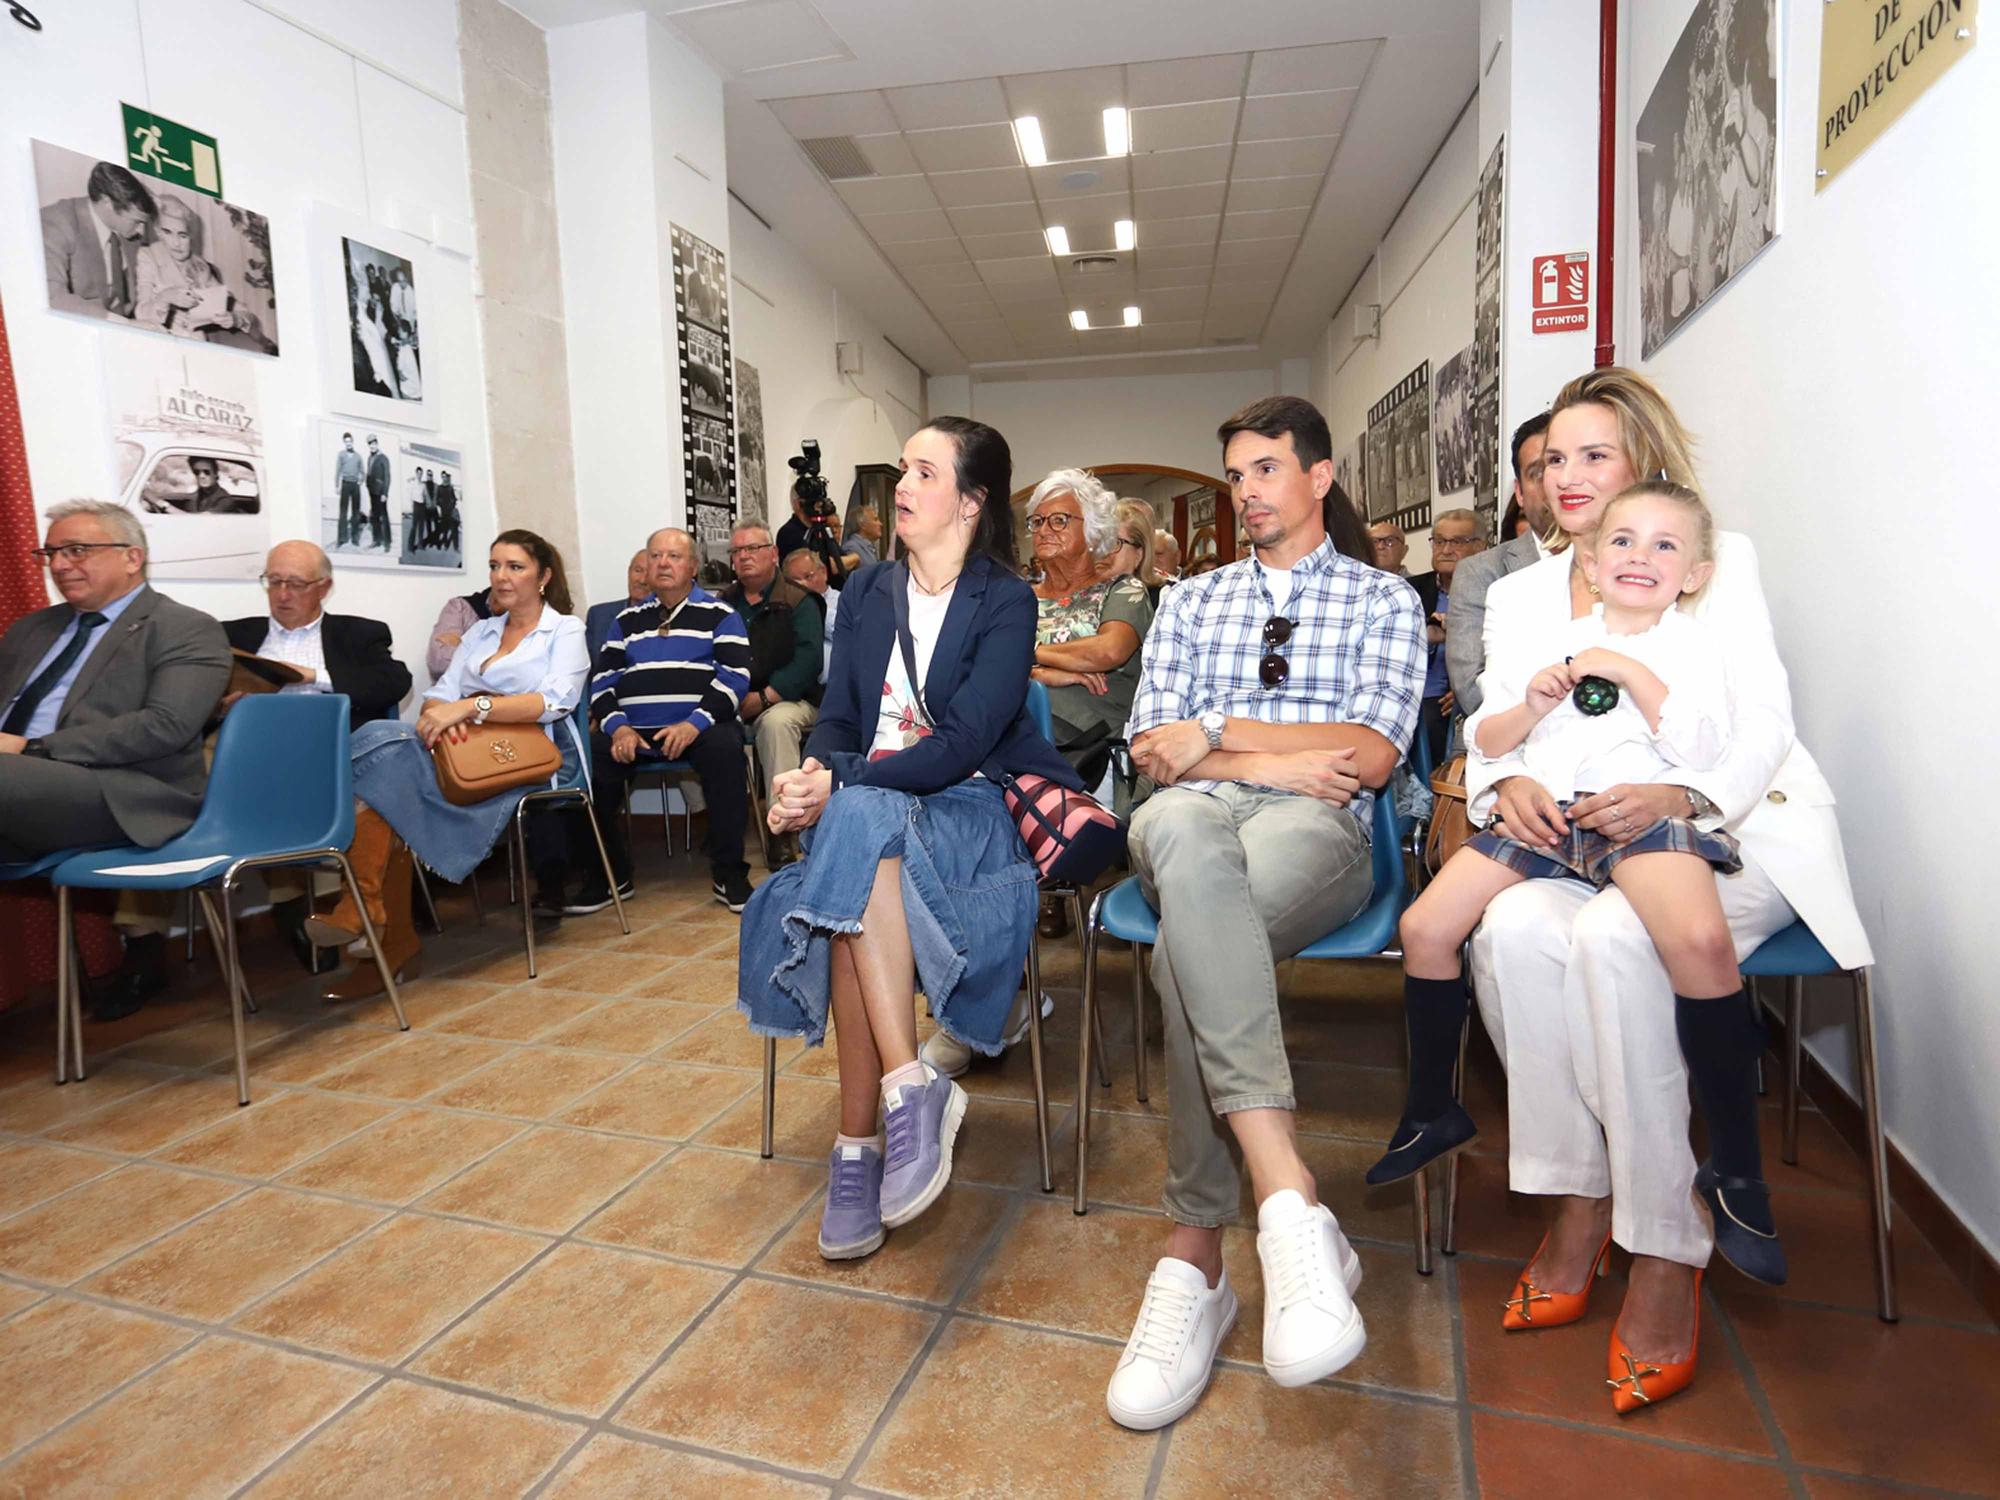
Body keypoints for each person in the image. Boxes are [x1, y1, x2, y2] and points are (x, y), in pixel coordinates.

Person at [1464, 368, 1869, 1413]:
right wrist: (1504, 782)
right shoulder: (1517, 589)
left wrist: (1675, 791)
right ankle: (1576, 1198)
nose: (1565, 476)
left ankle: (1665, 1249)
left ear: (1641, 461)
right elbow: (1498, 723)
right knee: (1505, 930)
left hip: (1733, 831)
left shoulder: (1711, 560)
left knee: (1611, 942)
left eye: (1592, 454)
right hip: (1576, 843)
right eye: (1551, 458)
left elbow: (1764, 723)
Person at [1104, 396, 1423, 1431]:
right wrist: (1262, 753)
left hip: (1316, 829)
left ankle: (1193, 1253)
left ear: (1319, 477)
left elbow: (1370, 755)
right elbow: (1154, 752)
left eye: (1264, 470)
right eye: (1234, 474)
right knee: (1188, 837)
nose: (1245, 491)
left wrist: (1217, 732)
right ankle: (1286, 1196)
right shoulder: (1190, 600)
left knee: (1186, 953)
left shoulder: (1380, 599)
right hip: (1189, 813)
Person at [737, 416, 1080, 1264]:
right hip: (875, 812)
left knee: (850, 844)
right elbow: (842, 720)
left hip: (966, 807)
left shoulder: (1005, 599)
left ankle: (859, 1146)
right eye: (902, 471)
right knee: (857, 841)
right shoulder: (865, 592)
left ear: (970, 501)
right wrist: (814, 774)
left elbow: (965, 742)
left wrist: (841, 787)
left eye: (924, 473)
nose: (900, 488)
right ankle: (904, 1092)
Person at [305, 531, 588, 1000]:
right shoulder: (481, 630)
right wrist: (442, 714)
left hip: (530, 758)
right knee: (386, 775)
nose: (501, 576)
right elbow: (442, 691)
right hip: (462, 751)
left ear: (544, 576)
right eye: (494, 565)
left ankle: (373, 920)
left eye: (515, 567)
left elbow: (555, 701)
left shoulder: (565, 630)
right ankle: (375, 918)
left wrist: (472, 710)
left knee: (379, 747)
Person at [0, 501, 231, 1018]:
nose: (60, 564)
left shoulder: (184, 627)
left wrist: (31, 748)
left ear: (133, 557)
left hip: (124, 791)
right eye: (51, 552)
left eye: (78, 550)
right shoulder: (31, 631)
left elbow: (165, 726)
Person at [575, 527, 753, 913]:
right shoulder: (624, 621)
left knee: (725, 749)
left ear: (693, 565)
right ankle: (610, 875)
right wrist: (616, 727)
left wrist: (694, 724)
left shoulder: (720, 615)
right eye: (655, 556)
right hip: (633, 731)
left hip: (699, 726)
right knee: (588, 758)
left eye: (673, 556)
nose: (662, 564)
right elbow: (603, 683)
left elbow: (735, 679)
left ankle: (729, 872)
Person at [1023, 470, 1153, 789]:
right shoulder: (1018, 597)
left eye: (1059, 520)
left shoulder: (1123, 591)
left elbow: (1107, 651)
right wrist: (1042, 673)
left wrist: (1031, 655)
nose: (1044, 530)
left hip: (1092, 752)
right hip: (1023, 735)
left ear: (1094, 530)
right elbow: (984, 662)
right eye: (1037, 522)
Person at [1447, 412, 1551, 715]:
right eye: (1538, 473)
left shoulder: (1622, 563)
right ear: (1519, 492)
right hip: (1504, 747)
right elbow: (1474, 692)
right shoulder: (1482, 573)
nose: (1555, 482)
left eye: (1561, 465)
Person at [721, 524, 823, 818]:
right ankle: (722, 826)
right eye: (737, 551)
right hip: (736, 700)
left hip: (793, 699)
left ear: (774, 553)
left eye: (752, 548)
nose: (744, 557)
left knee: (775, 724)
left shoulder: (800, 600)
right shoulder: (724, 604)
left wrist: (765, 698)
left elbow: (809, 660)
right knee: (701, 728)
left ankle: (785, 823)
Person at [1409, 507, 1488, 765]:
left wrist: (1467, 686)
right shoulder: (1411, 590)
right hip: (1421, 693)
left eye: (1457, 541)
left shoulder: (1495, 590)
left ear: (1481, 546)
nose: (1445, 549)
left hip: (1471, 693)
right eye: (1440, 541)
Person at [132, 196, 266, 346]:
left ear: (191, 236)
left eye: (183, 235)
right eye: (168, 233)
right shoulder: (149, 256)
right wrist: (165, 297)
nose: (176, 243)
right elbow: (141, 314)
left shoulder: (199, 265)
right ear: (158, 232)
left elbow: (244, 312)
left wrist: (234, 318)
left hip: (195, 343)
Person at [42, 161, 157, 318]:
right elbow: (52, 298)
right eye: (136, 222)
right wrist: (124, 325)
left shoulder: (127, 228)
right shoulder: (57, 222)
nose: (142, 232)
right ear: (107, 203)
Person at [586, 549, 653, 664]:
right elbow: (587, 671)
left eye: (650, 574)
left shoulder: (668, 619)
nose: (642, 580)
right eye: (638, 571)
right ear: (629, 572)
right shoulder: (598, 615)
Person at [782, 546, 839, 677]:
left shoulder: (844, 601)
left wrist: (811, 610)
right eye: (794, 581)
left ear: (823, 572)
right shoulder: (785, 609)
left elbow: (847, 634)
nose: (803, 585)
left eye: (808, 576)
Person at [427, 584, 498, 678]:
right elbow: (440, 662)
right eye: (495, 569)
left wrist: (464, 647)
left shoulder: (521, 618)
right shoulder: (460, 608)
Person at [1098, 498, 1157, 586]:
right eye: (1098, 542)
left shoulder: (1166, 596)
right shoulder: (1078, 594)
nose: (1103, 551)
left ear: (1138, 555)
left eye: (1115, 543)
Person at [180, 457, 251, 515]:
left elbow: (199, 520)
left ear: (215, 474)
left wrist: (169, 507)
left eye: (206, 472)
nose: (201, 476)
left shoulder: (225, 500)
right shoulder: (197, 496)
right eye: (197, 472)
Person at [334, 433, 366, 549]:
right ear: (344, 443)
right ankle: (342, 539)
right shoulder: (341, 455)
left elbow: (363, 471)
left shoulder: (358, 456)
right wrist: (337, 485)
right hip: (345, 484)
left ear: (353, 442)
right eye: (346, 442)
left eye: (350, 441)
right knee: (343, 512)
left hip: (355, 486)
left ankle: (355, 539)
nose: (348, 443)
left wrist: (361, 480)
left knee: (356, 513)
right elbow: (337, 470)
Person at [364, 436, 392, 552]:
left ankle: (387, 543)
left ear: (377, 444)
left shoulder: (383, 458)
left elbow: (387, 476)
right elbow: (369, 473)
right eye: (370, 444)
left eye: (374, 444)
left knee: (383, 517)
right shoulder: (370, 457)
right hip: (372, 491)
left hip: (381, 493)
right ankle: (377, 540)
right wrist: (367, 484)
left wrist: (385, 493)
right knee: (375, 517)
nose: (372, 446)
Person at [841, 500, 883, 569]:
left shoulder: (868, 547)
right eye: (875, 519)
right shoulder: (851, 548)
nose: (880, 524)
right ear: (862, 524)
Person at [1149, 528, 1182, 606]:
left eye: (1158, 554)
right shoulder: (1139, 588)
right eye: (1149, 555)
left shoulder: (1192, 587)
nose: (1152, 560)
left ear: (1177, 557)